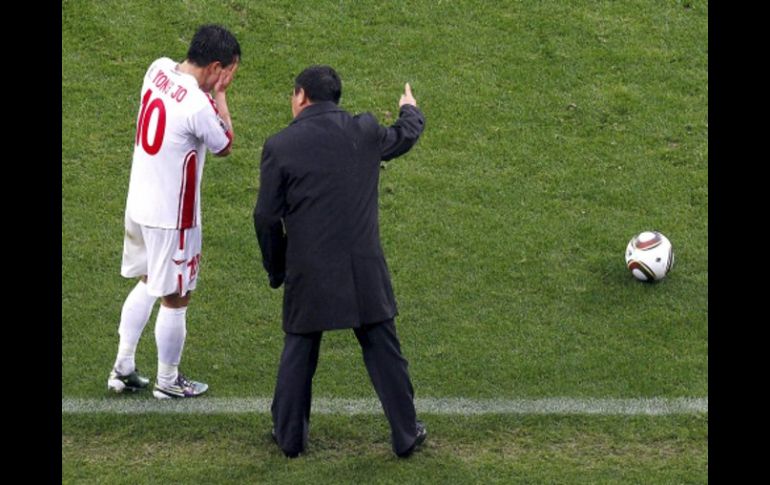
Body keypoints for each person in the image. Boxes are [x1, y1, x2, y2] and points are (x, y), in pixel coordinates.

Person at [253, 65, 427, 458]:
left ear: (300, 96)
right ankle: (405, 433)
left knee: (300, 350)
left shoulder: (280, 145)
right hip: (362, 267)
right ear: (336, 98)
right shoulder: (363, 130)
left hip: (308, 270)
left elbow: (265, 217)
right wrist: (410, 109)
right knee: (383, 349)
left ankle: (290, 437)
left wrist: (277, 268)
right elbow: (402, 137)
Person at [107, 24, 240, 399]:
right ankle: (168, 381)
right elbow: (225, 144)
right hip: (172, 218)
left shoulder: (157, 68)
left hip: (139, 203)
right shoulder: (199, 104)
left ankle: (123, 367)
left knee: (150, 280)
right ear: (216, 67)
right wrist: (220, 96)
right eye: (229, 71)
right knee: (176, 296)